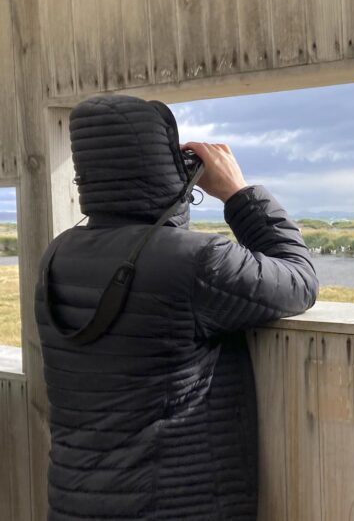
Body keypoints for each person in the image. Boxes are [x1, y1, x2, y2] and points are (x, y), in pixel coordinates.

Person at [34, 94, 319, 520]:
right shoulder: (195, 261)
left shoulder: (58, 254)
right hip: (173, 505)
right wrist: (238, 193)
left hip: (76, 501)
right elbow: (299, 280)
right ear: (166, 167)